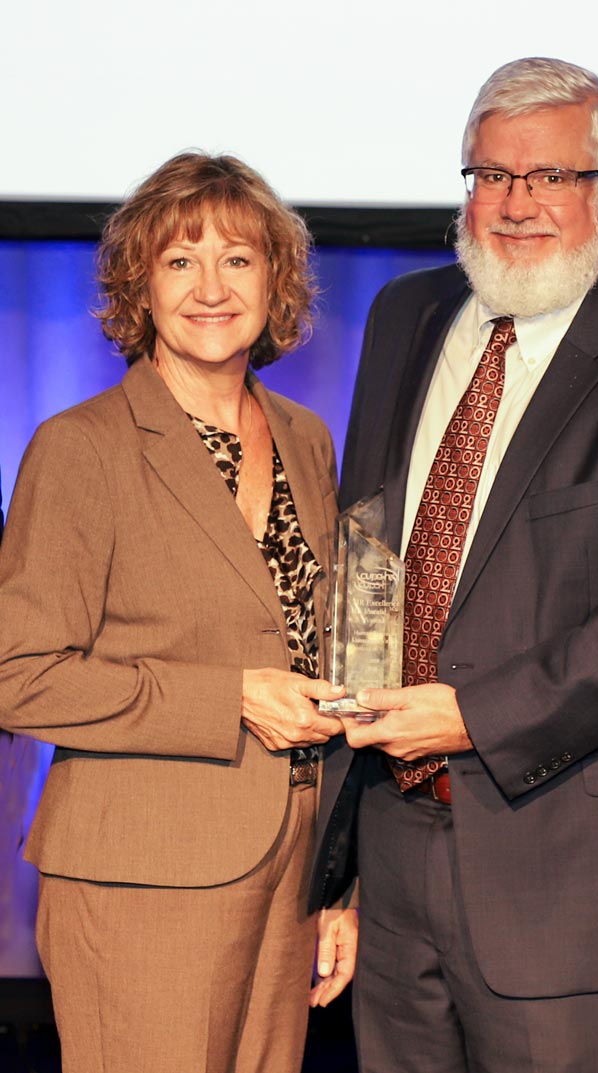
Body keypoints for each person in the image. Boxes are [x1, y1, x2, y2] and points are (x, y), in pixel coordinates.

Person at [310, 57, 598, 1073]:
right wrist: (344, 854)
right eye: (491, 175)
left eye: (548, 177)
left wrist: (467, 713)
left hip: (575, 878)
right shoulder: (404, 317)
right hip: (393, 840)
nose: (514, 205)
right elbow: (371, 548)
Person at [0, 152, 357, 1073]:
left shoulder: (308, 440)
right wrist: (231, 697)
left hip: (291, 872)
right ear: (139, 285)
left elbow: (331, 657)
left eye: (238, 259)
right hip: (139, 877)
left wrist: (342, 883)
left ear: (275, 281)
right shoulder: (80, 447)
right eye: (179, 260)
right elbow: (20, 677)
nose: (210, 287)